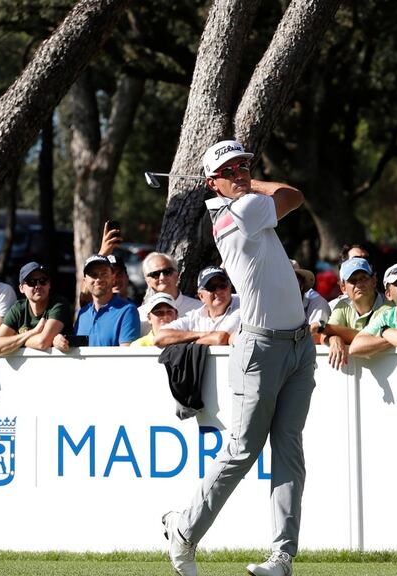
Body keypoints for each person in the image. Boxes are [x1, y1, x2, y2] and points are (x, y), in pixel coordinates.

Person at [163, 140, 314, 576]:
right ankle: (184, 532)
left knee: (289, 451)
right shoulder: (238, 212)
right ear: (212, 181)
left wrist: (239, 183)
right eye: (230, 168)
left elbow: (287, 197)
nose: (241, 172)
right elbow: (292, 195)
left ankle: (281, 558)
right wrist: (248, 187)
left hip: (299, 346)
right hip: (259, 350)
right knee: (243, 449)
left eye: (244, 165)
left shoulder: (243, 201)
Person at [321, 257, 391, 370]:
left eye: (363, 278)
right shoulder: (342, 305)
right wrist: (334, 339)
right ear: (343, 287)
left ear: (374, 281)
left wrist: (331, 331)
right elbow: (323, 335)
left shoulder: (389, 307)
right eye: (352, 280)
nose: (359, 284)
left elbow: (367, 341)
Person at [0, 262, 73, 355]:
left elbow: (42, 342)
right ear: (21, 288)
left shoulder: (59, 305)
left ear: (49, 284)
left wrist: (15, 338)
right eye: (31, 282)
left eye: (43, 280)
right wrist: (33, 332)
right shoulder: (18, 308)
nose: (38, 286)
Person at [155, 266, 241, 347]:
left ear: (230, 287)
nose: (218, 291)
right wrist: (201, 334)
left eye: (222, 285)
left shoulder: (241, 305)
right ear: (201, 296)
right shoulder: (195, 315)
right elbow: (159, 337)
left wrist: (188, 344)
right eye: (211, 287)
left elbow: (221, 338)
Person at [74, 255, 141, 346]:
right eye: (93, 275)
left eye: (104, 273)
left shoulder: (128, 310)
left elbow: (126, 357)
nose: (98, 279)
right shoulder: (82, 313)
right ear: (85, 281)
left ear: (113, 278)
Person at [140, 252, 203, 335]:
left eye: (167, 272)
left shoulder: (200, 309)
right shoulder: (140, 315)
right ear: (147, 280)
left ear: (177, 275)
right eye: (155, 274)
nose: (162, 277)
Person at [292, 259, 331, 338]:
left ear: (302, 283)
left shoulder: (318, 302)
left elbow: (316, 332)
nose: (287, 284)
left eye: (292, 279)